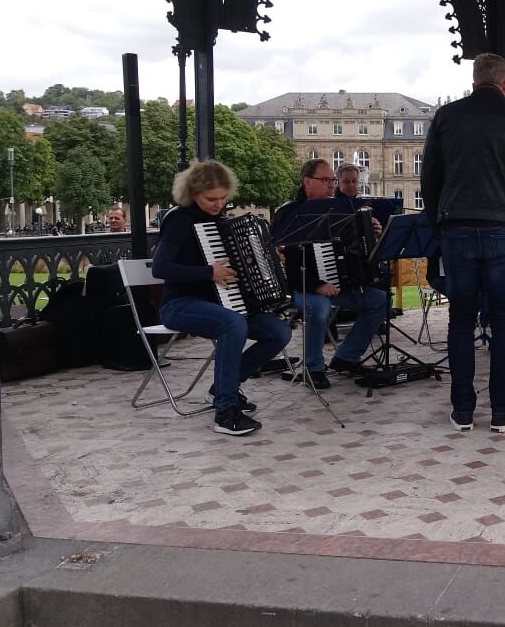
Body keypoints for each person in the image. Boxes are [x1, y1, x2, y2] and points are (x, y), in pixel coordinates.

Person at [421, 53, 505, 434]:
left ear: (474, 79)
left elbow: (430, 177)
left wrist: (437, 224)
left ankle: (462, 411)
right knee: (504, 320)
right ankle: (502, 410)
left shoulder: (446, 117)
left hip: (457, 227)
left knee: (461, 319)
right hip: (503, 229)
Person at [151, 160, 291, 436]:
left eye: (223, 198)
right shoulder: (179, 220)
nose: (218, 204)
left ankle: (224, 386)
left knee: (279, 332)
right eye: (211, 199)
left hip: (222, 303)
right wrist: (208, 273)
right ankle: (226, 411)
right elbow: (160, 268)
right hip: (179, 304)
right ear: (193, 193)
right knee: (233, 324)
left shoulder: (221, 222)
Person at [278, 158, 388, 390]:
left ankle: (346, 357)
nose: (331, 185)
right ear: (307, 182)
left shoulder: (344, 210)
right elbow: (288, 266)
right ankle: (313, 368)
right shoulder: (289, 213)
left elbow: (357, 248)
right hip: (302, 287)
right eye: (325, 180)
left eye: (332, 180)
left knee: (379, 300)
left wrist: (371, 233)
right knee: (319, 307)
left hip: (340, 285)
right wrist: (317, 284)